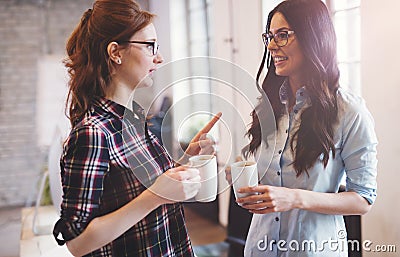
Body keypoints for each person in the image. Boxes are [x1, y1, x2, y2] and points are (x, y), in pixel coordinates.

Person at [52, 0, 221, 256]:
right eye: (150, 46)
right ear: (115, 52)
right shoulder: (93, 134)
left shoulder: (133, 118)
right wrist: (155, 196)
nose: (160, 57)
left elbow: (147, 185)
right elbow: (77, 243)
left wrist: (188, 158)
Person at [228, 0, 378, 256]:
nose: (272, 46)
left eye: (283, 35)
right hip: (260, 248)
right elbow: (266, 177)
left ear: (313, 37)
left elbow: (362, 199)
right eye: (269, 36)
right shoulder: (269, 105)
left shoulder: (350, 112)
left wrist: (294, 198)